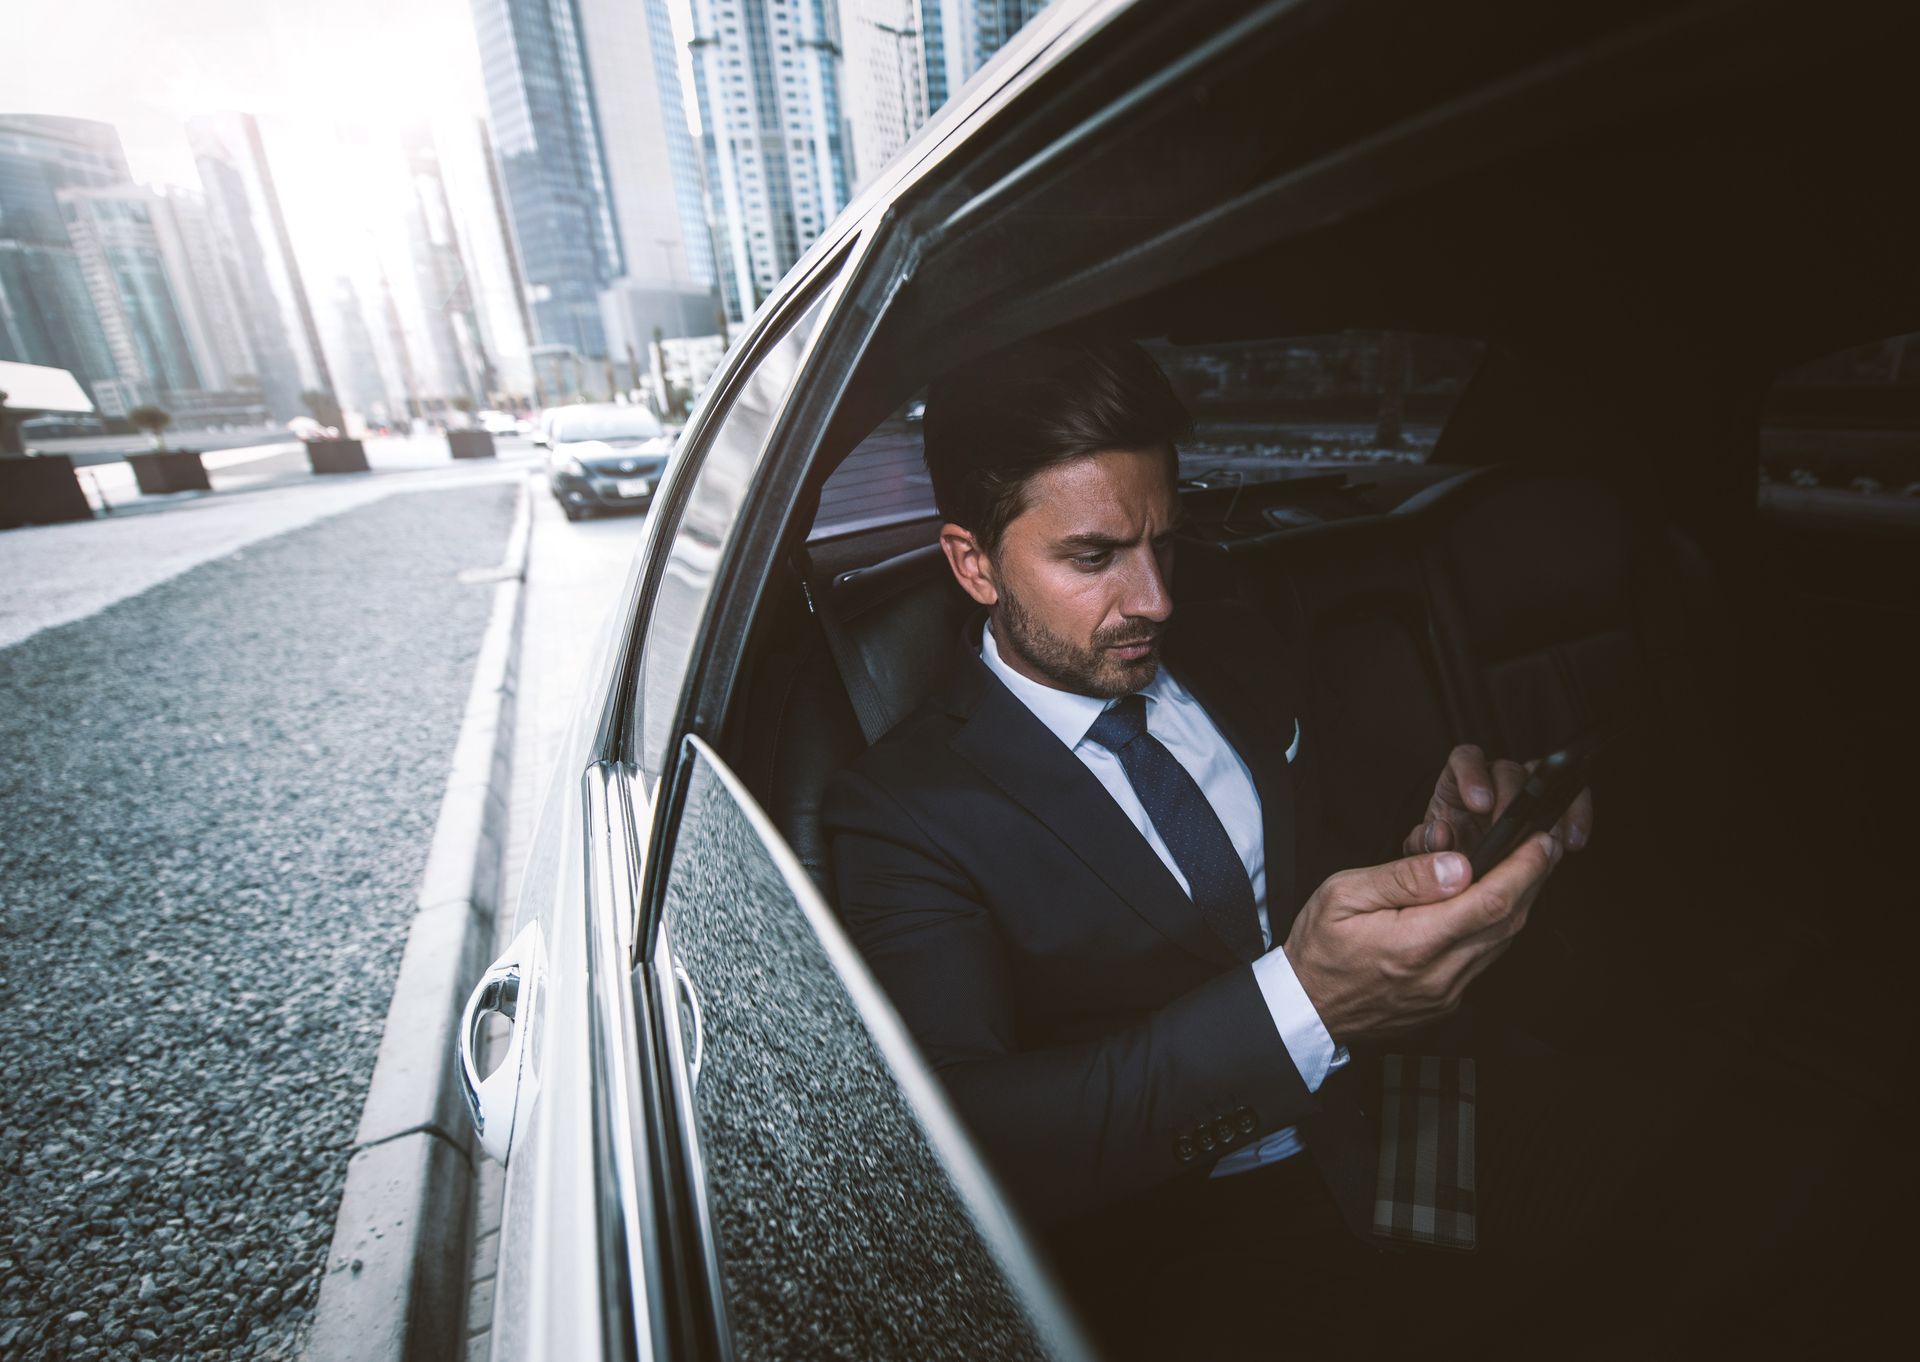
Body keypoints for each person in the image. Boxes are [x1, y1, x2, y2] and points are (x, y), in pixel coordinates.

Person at [822, 331, 1892, 1359]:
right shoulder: (905, 806)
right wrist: (1308, 1006)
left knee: (1780, 1203)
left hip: (1402, 1111)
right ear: (973, 564)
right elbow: (973, 1140)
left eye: (1164, 541)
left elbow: (1306, 879)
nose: (1153, 598)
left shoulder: (1230, 651)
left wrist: (1430, 848)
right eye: (1093, 557)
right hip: (1192, 1230)